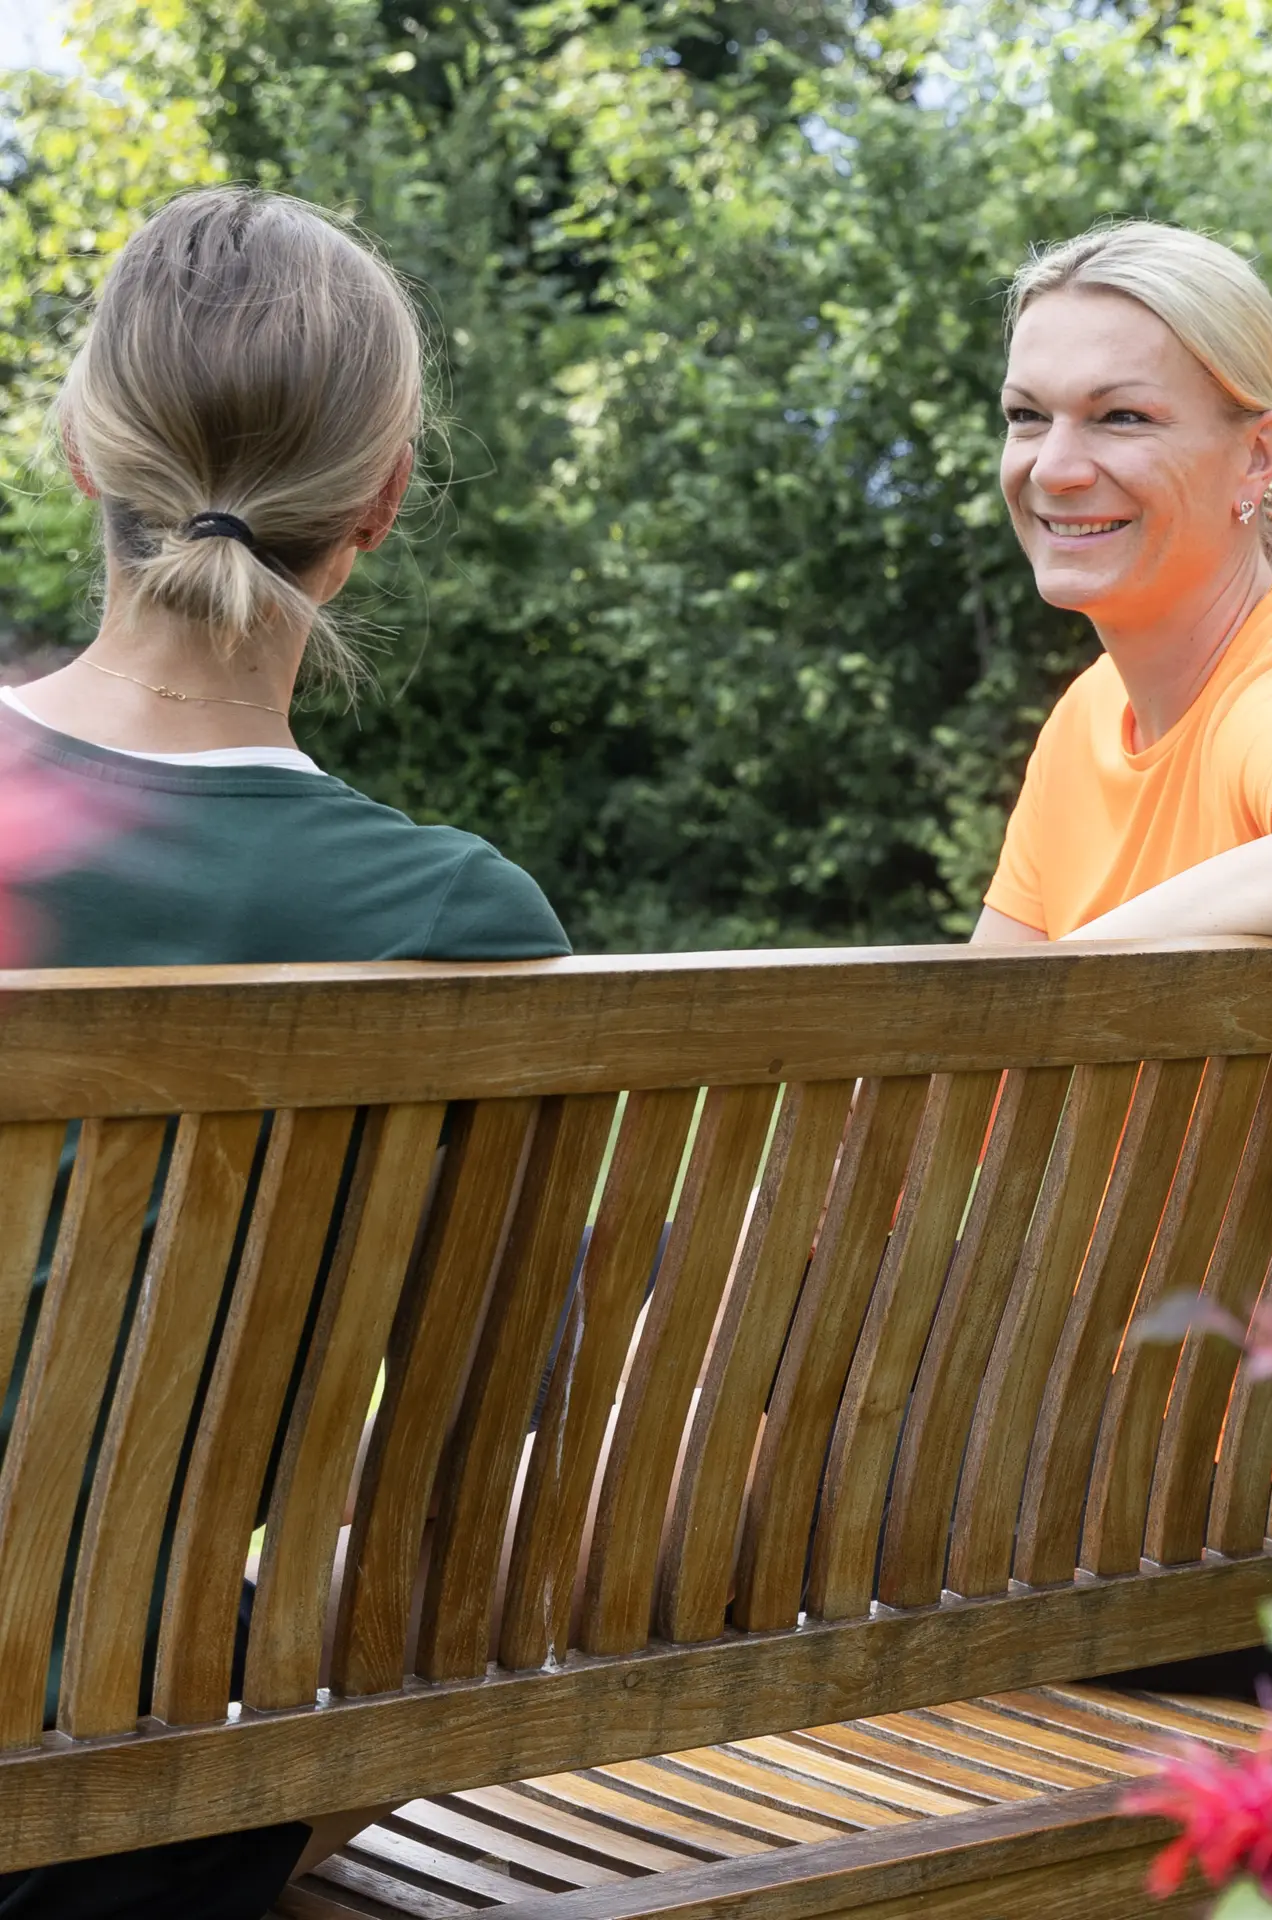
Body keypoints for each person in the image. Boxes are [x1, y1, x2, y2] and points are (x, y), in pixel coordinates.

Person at [0, 185, 568, 1917]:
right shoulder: (464, 923)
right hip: (155, 1770)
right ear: (381, 503)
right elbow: (487, 1446)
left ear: (83, 454)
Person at [969, 221, 1272, 949]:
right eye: (1027, 416)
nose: (1055, 468)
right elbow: (977, 1045)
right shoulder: (1085, 718)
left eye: (1120, 417)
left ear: (1257, 454)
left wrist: (1073, 973)